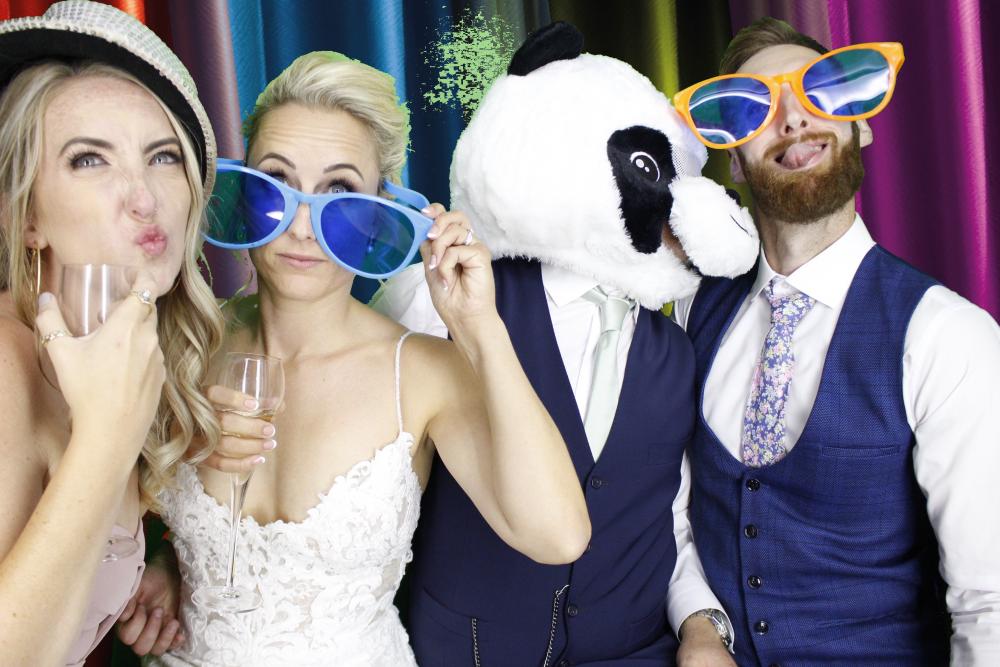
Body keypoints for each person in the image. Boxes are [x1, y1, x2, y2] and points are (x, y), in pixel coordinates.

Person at [125, 51, 589, 666]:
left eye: (339, 191)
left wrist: (479, 327)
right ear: (244, 192)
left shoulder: (421, 373)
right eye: (276, 181)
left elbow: (558, 536)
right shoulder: (186, 337)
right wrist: (162, 560)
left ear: (378, 214)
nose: (301, 226)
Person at [671, 17, 1000, 666]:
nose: (792, 118)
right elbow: (667, 509)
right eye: (757, 108)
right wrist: (699, 623)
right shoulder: (689, 310)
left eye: (817, 92)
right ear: (732, 157)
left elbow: (988, 603)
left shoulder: (947, 335)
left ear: (861, 124)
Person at [0, 1, 223, 665]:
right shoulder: (6, 370)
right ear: (26, 218)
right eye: (89, 160)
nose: (143, 197)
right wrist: (105, 438)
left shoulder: (122, 355)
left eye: (163, 157)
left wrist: (158, 568)